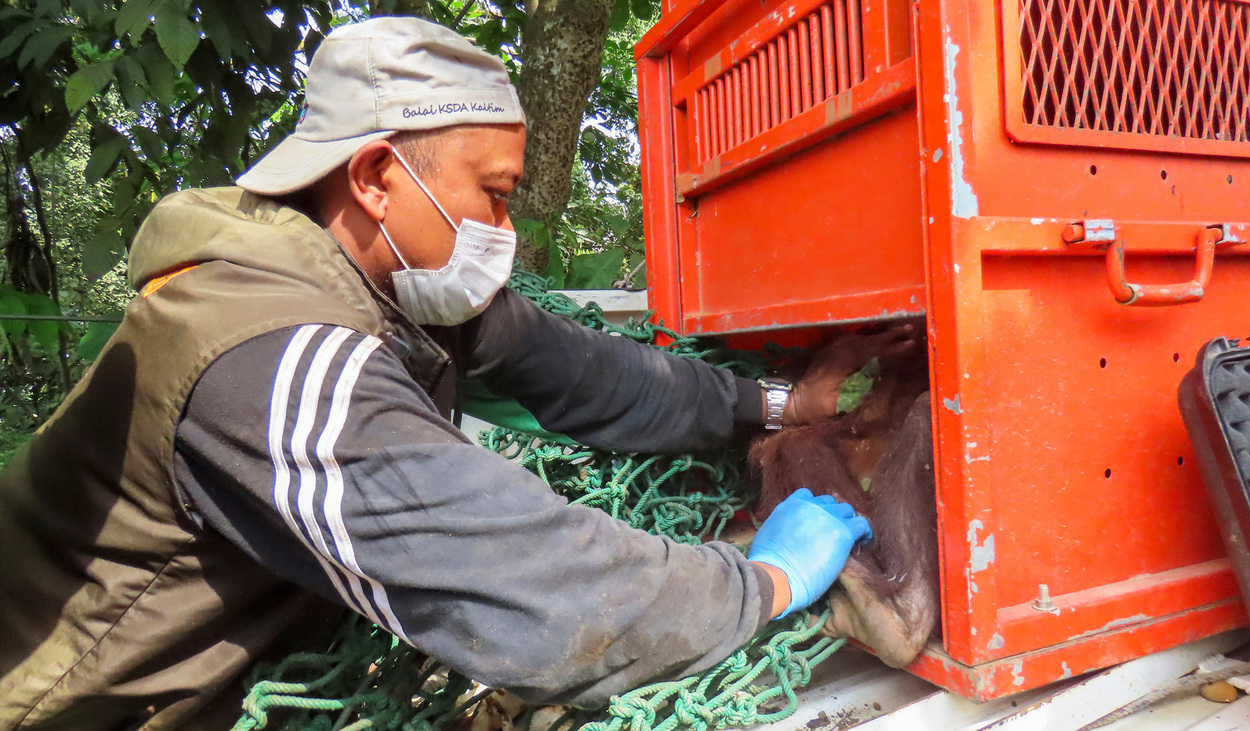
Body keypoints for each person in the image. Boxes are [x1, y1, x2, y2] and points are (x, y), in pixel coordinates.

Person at [0, 17, 912, 731]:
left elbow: (590, 377)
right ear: (374, 178)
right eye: (495, 195)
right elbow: (539, 590)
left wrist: (779, 400)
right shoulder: (273, 360)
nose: (504, 233)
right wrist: (766, 581)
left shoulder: (395, 286)